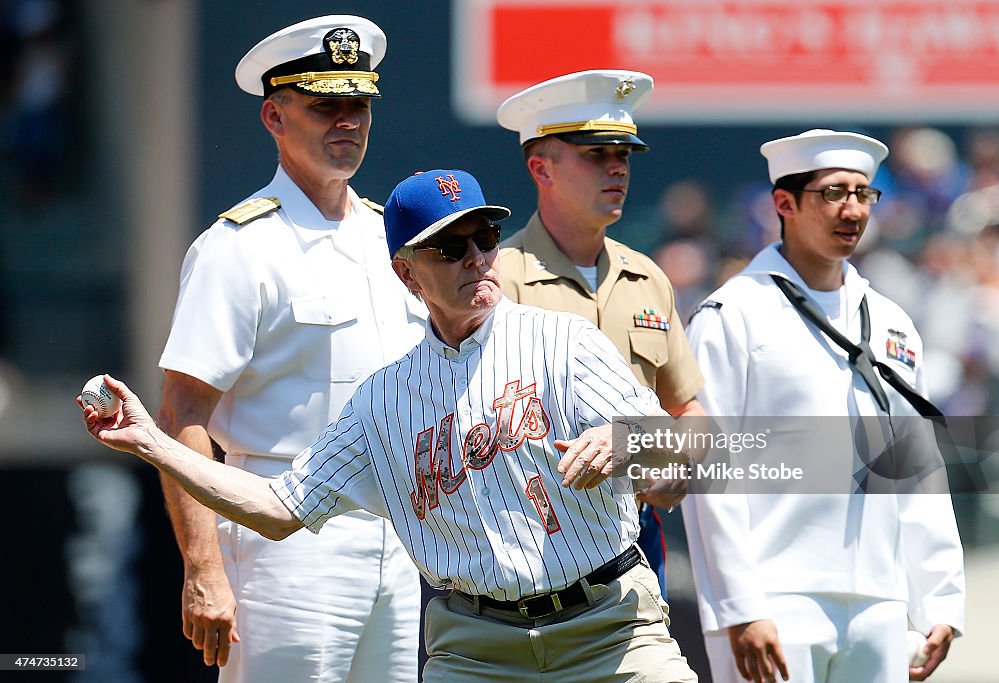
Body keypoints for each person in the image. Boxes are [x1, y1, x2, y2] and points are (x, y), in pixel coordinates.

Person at [84, 169, 700, 683]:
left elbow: (680, 472)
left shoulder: (565, 343)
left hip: (610, 631)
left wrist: (628, 446)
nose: (477, 259)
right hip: (476, 651)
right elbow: (278, 508)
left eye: (484, 238)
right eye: (450, 248)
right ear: (408, 275)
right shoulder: (384, 397)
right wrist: (152, 443)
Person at [154, 16, 426, 682]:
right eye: (324, 104)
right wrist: (204, 565)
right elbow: (181, 412)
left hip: (396, 532)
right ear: (274, 117)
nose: (347, 121)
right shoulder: (238, 246)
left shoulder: (384, 235)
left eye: (358, 103)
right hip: (284, 532)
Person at [682, 129, 966, 683]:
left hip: (880, 599)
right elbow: (707, 469)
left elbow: (915, 468)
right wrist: (740, 606)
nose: (852, 209)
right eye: (833, 193)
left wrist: (940, 600)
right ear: (784, 204)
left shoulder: (891, 321)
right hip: (775, 594)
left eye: (863, 194)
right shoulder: (732, 315)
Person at [496, 69, 705, 595]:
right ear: (541, 168)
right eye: (596, 154)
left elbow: (691, 413)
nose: (617, 168)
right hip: (528, 544)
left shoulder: (648, 277)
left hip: (636, 541)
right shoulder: (500, 279)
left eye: (624, 155)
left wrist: (674, 463)